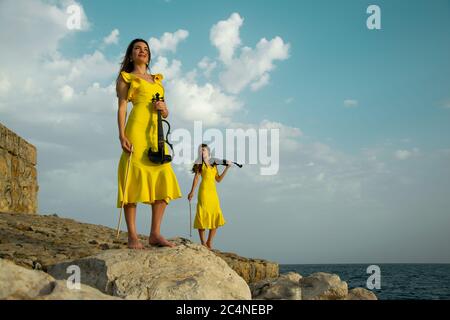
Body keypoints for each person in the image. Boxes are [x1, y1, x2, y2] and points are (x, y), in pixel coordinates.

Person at [116, 38, 182, 249]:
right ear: (131, 54)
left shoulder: (158, 80)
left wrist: (164, 109)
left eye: (145, 49)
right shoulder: (126, 78)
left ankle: (155, 233)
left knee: (164, 176)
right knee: (132, 179)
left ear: (149, 55)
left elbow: (166, 111)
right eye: (138, 48)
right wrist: (121, 134)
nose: (142, 51)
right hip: (136, 130)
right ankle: (133, 236)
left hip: (157, 133)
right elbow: (122, 107)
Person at [187, 144, 230, 250]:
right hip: (204, 192)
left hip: (213, 194)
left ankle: (209, 241)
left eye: (204, 150)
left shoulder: (214, 164)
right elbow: (196, 178)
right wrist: (191, 192)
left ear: (208, 152)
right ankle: (203, 242)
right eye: (200, 150)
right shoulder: (199, 164)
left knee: (215, 216)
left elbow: (218, 179)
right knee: (202, 214)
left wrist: (227, 168)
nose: (202, 152)